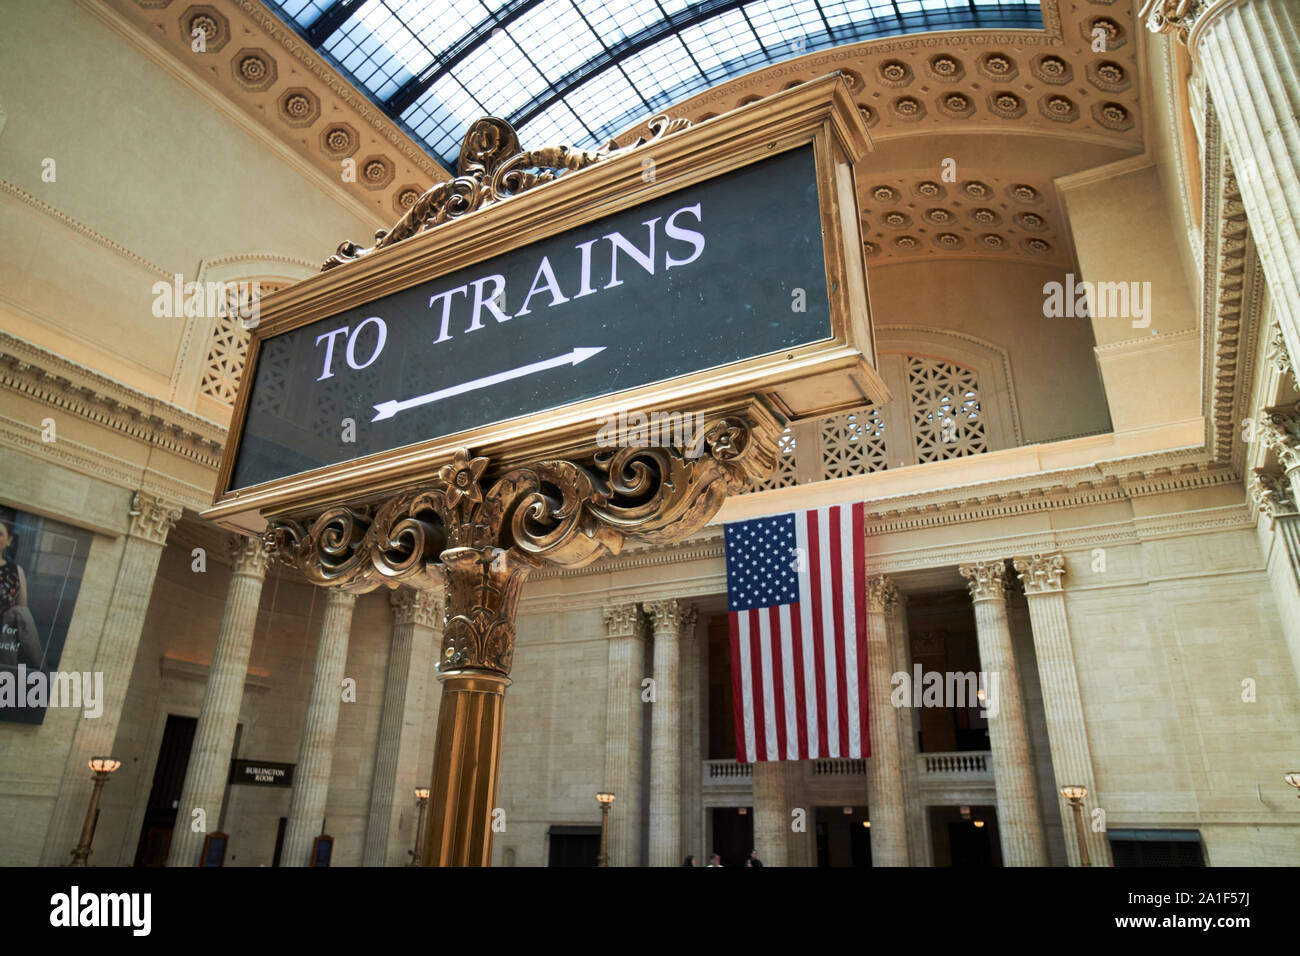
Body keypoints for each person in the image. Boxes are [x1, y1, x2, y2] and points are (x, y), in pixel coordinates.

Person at [0, 519, 40, 668]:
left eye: (0, 534)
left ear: (9, 540)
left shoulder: (16, 571)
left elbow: (22, 612)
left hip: (3, 638)